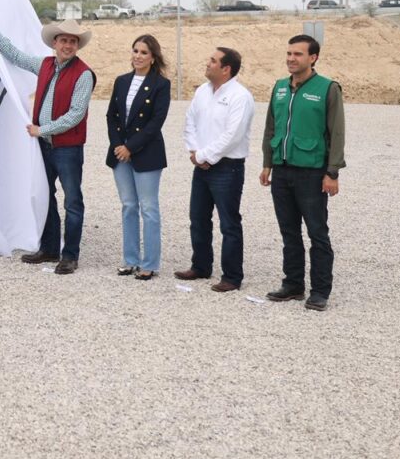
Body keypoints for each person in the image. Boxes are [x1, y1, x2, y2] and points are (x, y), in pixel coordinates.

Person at [0, 17, 97, 275]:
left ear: (77, 46)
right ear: (55, 43)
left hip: (67, 147)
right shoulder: (44, 65)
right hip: (45, 145)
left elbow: (75, 114)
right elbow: (16, 56)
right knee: (46, 196)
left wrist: (42, 130)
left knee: (72, 201)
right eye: (64, 40)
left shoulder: (84, 74)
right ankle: (50, 248)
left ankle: (70, 255)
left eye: (73, 41)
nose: (68, 45)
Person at [260, 34, 345, 312]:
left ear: (313, 57)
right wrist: (267, 163)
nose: (291, 59)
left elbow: (337, 133)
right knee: (289, 232)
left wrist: (332, 172)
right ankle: (293, 284)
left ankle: (320, 291)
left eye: (297, 54)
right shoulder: (280, 87)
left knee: (317, 233)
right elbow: (271, 127)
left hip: (312, 172)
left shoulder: (327, 88)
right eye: (289, 53)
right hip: (282, 171)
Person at [176, 47, 255, 292]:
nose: (207, 63)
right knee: (198, 218)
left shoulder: (240, 97)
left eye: (213, 60)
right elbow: (190, 121)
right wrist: (194, 151)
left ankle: (232, 276)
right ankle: (200, 266)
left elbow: (233, 135)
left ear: (226, 69)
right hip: (201, 165)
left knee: (229, 223)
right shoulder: (202, 91)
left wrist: (204, 155)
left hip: (227, 167)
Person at [105, 34, 171, 280]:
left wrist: (130, 147)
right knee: (128, 206)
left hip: (146, 153)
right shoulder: (121, 81)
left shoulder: (161, 85)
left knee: (149, 208)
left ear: (153, 57)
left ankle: (149, 263)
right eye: (135, 51)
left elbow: (156, 122)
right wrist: (118, 145)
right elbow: (112, 116)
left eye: (144, 52)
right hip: (120, 153)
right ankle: (130, 259)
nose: (138, 56)